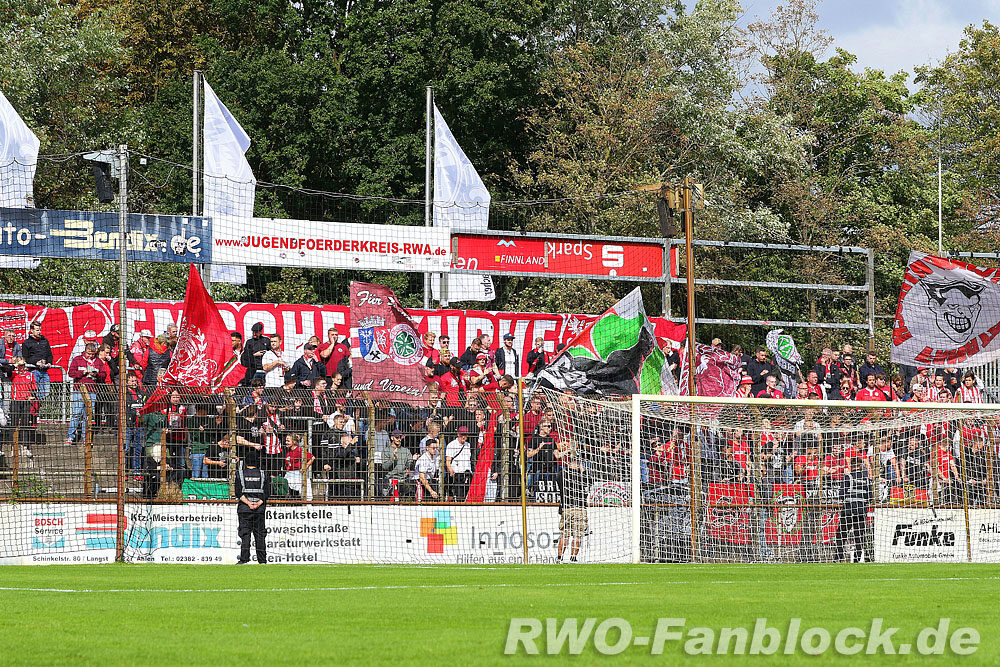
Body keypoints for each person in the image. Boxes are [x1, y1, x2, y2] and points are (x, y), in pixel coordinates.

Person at [66, 342, 107, 444]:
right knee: (76, 413)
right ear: (85, 351)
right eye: (88, 354)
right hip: (79, 389)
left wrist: (96, 374)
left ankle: (86, 438)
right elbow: (71, 373)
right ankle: (70, 437)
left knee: (88, 415)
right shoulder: (77, 360)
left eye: (92, 354)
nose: (90, 356)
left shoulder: (98, 361)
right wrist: (82, 372)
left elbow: (104, 375)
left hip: (92, 390)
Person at [556, 440, 589, 563]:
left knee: (565, 534)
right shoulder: (583, 476)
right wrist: (582, 469)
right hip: (580, 508)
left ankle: (559, 558)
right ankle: (573, 558)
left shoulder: (563, 474)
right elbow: (588, 482)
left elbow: (558, 479)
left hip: (567, 507)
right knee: (577, 534)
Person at [836, 454, 873, 562]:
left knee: (841, 534)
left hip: (848, 510)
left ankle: (839, 557)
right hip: (861, 511)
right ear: (861, 466)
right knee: (859, 535)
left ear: (851, 466)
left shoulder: (848, 477)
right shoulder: (866, 479)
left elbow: (841, 494)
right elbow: (869, 497)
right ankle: (857, 558)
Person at [235, 450, 270, 564]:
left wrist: (248, 503)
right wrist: (258, 503)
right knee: (260, 535)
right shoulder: (263, 474)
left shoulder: (240, 474)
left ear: (246, 462)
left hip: (244, 509)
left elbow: (238, 493)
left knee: (245, 534)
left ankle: (244, 559)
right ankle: (262, 560)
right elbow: (267, 492)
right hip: (259, 509)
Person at [22, 321, 53, 401]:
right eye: (37, 330)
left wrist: (49, 362)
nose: (39, 332)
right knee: (34, 393)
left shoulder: (44, 341)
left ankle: (38, 409)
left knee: (45, 393)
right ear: (32, 330)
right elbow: (26, 358)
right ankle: (34, 412)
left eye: (40, 330)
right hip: (34, 371)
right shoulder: (26, 343)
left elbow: (49, 354)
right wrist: (36, 362)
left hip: (44, 371)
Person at [382, 429, 414, 499]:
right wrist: (393, 458)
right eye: (397, 437)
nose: (399, 439)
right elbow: (384, 467)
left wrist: (413, 461)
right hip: (391, 479)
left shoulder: (406, 451)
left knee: (411, 493)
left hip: (403, 479)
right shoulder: (386, 450)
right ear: (392, 437)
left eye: (400, 437)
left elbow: (410, 465)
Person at [445, 426, 474, 502]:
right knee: (459, 496)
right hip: (457, 474)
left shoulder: (468, 445)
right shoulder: (452, 445)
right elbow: (448, 460)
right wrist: (451, 470)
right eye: (462, 435)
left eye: (465, 435)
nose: (463, 437)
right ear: (458, 434)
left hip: (467, 473)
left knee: (467, 495)